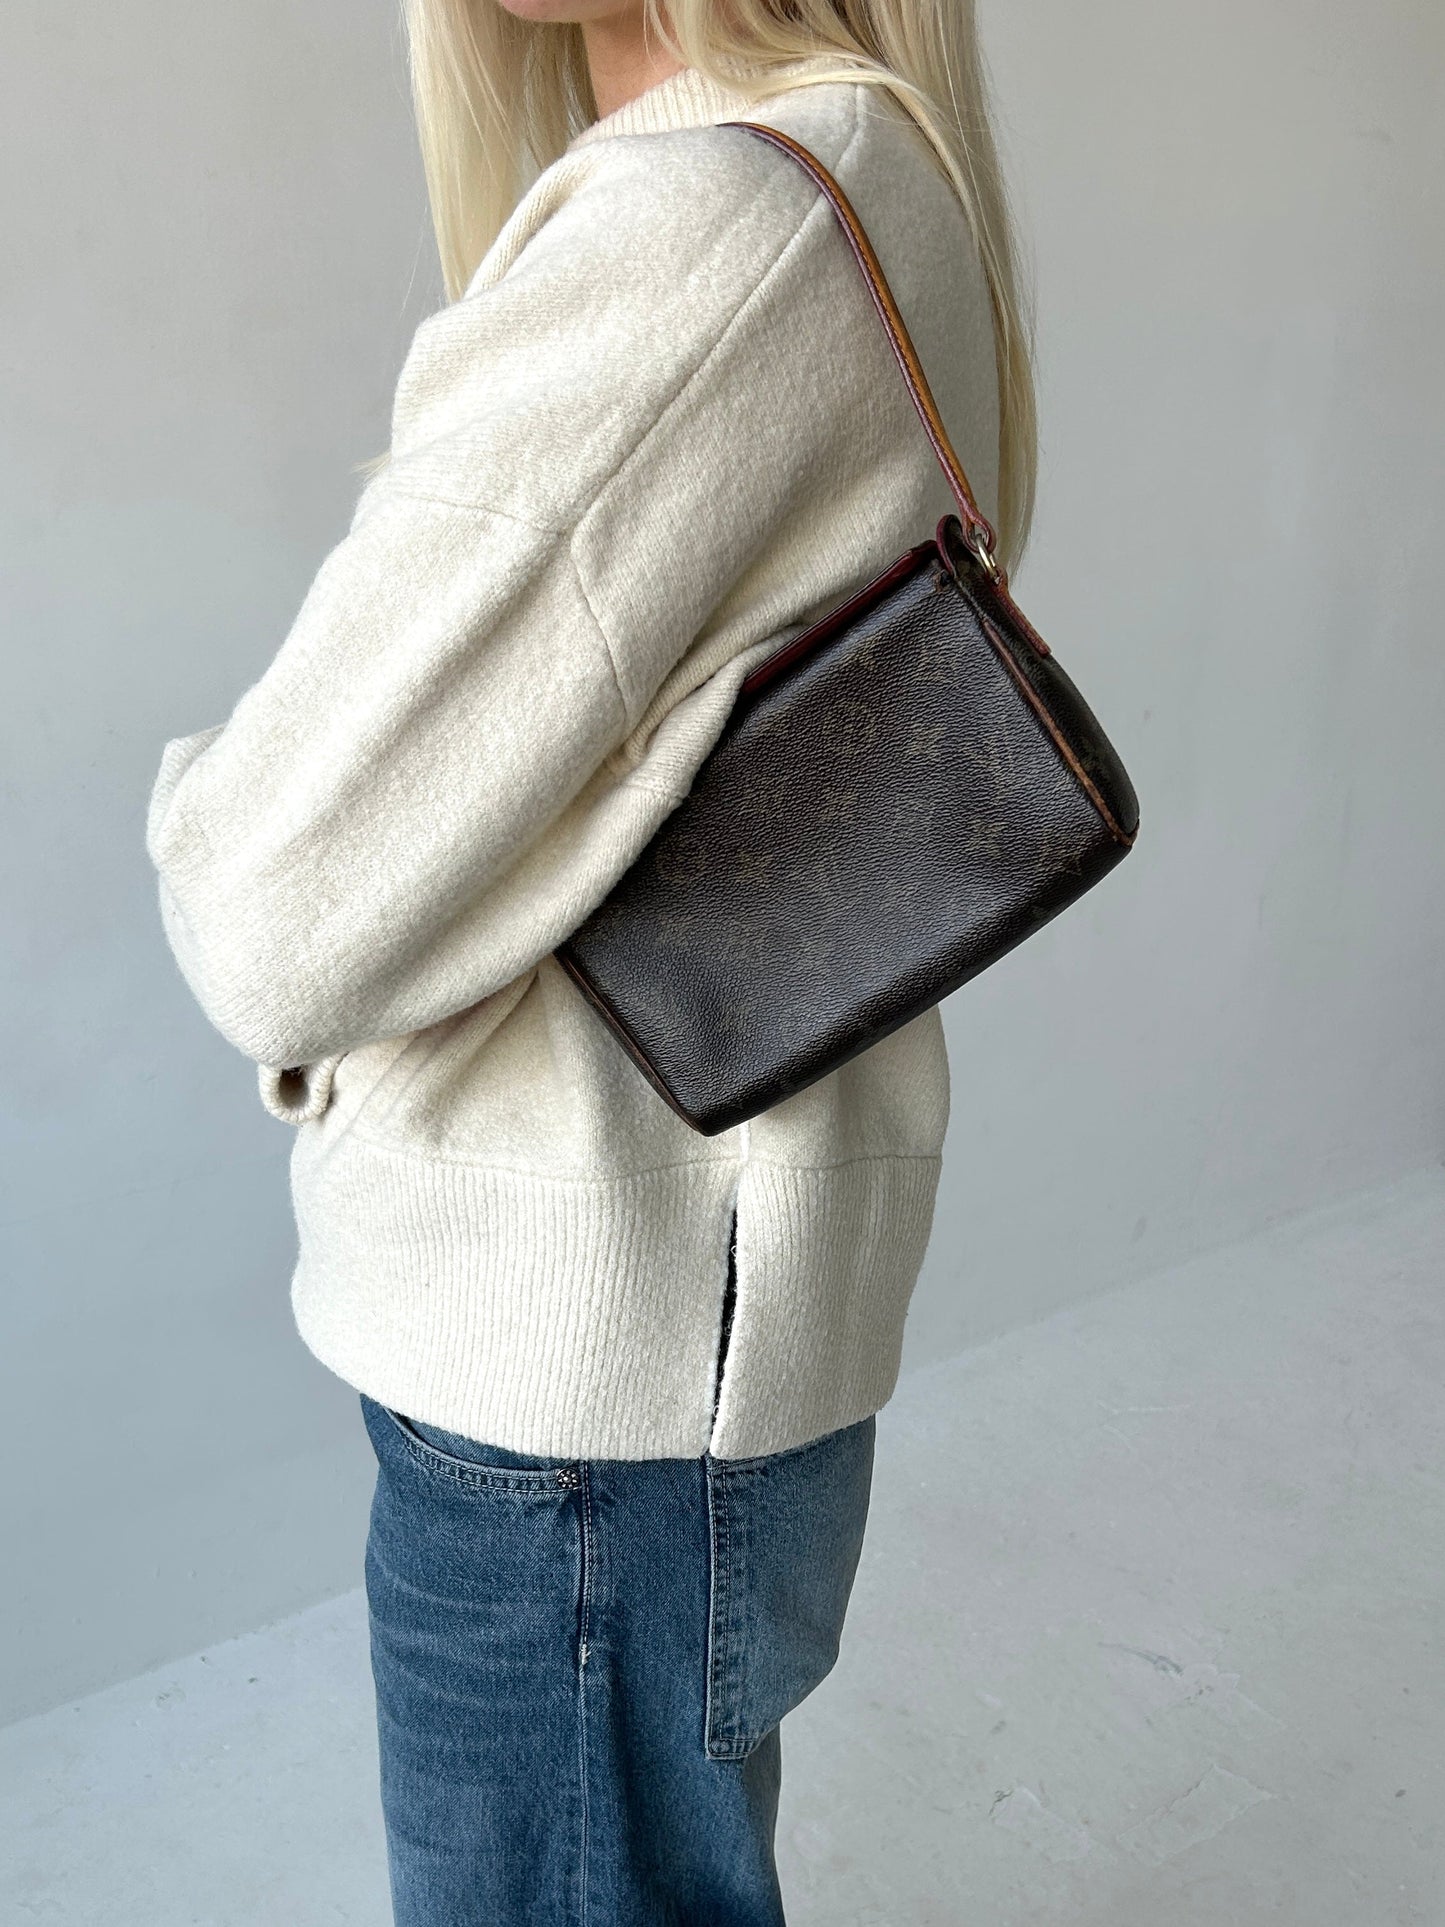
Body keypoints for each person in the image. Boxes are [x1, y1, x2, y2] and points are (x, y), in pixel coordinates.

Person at [145, 0, 1036, 1918]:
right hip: (688, 1320)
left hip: (586, 1368)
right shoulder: (864, 169)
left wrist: (201, 796)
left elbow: (269, 912)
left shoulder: (704, 226)